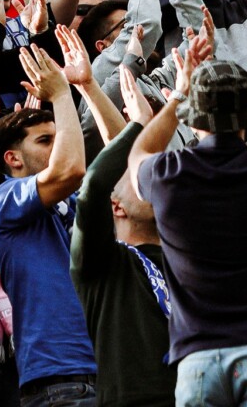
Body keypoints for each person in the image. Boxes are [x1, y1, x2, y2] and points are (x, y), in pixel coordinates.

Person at [130, 38, 247, 406]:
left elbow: (139, 153)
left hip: (198, 361)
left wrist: (176, 96)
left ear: (194, 118)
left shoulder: (168, 174)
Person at [0, 46, 97, 406]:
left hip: (111, 370)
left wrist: (88, 87)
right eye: (45, 141)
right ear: (12, 158)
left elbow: (126, 166)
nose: (58, 144)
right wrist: (62, 94)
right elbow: (69, 169)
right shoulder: (1, 201)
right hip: (58, 379)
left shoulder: (74, 202)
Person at [71, 65, 176, 407]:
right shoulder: (102, 261)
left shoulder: (188, 258)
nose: (157, 184)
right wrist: (139, 128)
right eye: (144, 181)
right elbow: (96, 184)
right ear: (116, 207)